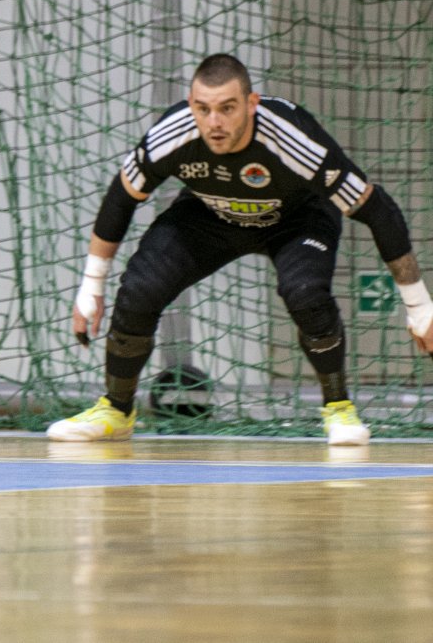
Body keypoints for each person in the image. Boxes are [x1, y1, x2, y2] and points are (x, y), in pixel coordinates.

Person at [51, 53, 431, 446]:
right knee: (139, 288)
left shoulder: (294, 139)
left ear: (252, 104)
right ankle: (116, 411)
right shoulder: (172, 134)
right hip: (209, 214)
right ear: (191, 104)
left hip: (297, 218)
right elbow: (121, 197)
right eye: (203, 109)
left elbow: (378, 209)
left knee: (305, 293)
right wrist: (91, 285)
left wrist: (419, 306)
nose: (214, 122)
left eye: (227, 108)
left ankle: (339, 408)